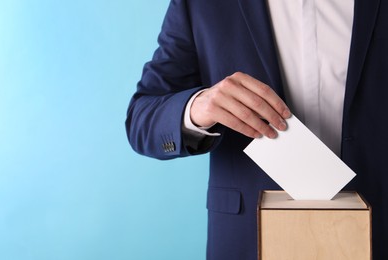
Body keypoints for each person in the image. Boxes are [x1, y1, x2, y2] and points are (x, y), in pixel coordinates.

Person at [126, 0, 388, 259]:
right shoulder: (198, 4)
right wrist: (197, 108)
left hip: (377, 230)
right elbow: (142, 119)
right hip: (246, 237)